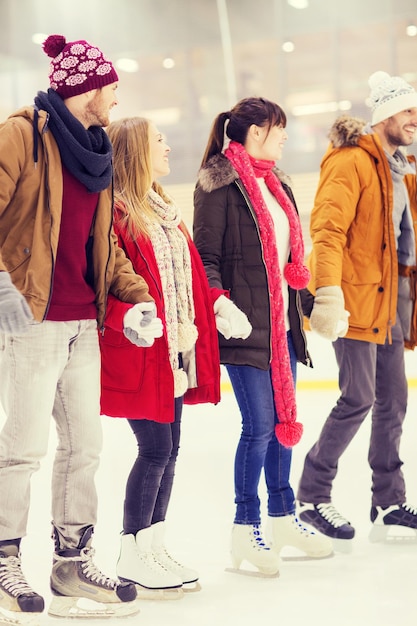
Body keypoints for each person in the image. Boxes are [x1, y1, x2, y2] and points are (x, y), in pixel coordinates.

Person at [0, 34, 164, 620]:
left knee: (84, 449)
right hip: (32, 318)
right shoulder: (23, 134)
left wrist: (136, 298)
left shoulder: (95, 152)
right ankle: (4, 559)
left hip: (81, 322)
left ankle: (71, 564)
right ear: (86, 88)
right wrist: (6, 297)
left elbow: (106, 247)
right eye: (112, 88)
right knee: (21, 450)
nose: (116, 100)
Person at [193, 96, 333, 577]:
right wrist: (217, 302)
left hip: (284, 328)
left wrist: (315, 308)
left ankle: (283, 516)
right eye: (279, 129)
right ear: (255, 132)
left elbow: (288, 264)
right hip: (245, 327)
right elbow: (206, 256)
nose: (286, 137)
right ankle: (244, 526)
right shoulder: (219, 184)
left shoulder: (279, 186)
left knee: (282, 428)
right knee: (257, 428)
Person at [99, 116, 220, 598]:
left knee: (168, 451)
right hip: (141, 350)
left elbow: (188, 279)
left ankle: (153, 543)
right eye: (159, 140)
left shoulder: (165, 211)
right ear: (134, 153)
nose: (169, 147)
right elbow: (110, 280)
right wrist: (132, 316)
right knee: (154, 450)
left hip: (174, 352)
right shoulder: (120, 213)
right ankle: (131, 553)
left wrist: (215, 304)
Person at [297, 71, 417, 547]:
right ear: (385, 114)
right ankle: (311, 494)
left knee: (394, 400)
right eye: (408, 110)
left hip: (389, 299)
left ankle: (387, 500)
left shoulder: (401, 166)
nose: (415, 118)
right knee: (359, 398)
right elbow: (327, 231)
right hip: (354, 298)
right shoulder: (349, 162)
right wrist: (328, 294)